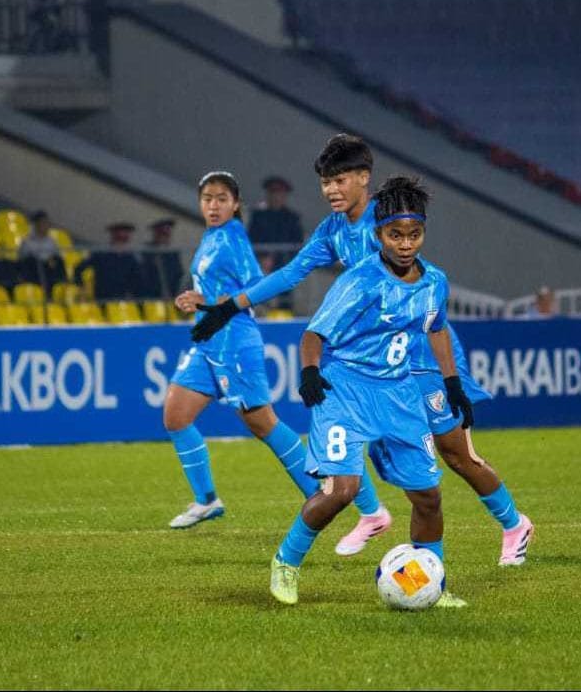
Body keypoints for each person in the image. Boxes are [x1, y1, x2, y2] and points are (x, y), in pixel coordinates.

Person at [193, 134, 534, 566]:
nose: (331, 190)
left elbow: (424, 296)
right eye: (324, 182)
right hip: (379, 366)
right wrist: (230, 307)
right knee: (372, 450)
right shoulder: (333, 230)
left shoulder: (388, 219)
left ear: (363, 179)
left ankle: (513, 524)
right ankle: (376, 517)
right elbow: (292, 273)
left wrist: (451, 378)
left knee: (456, 455)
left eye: (339, 180)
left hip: (422, 358)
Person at [270, 176, 467, 607]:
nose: (405, 243)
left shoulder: (435, 281)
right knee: (342, 490)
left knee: (428, 497)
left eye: (413, 234)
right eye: (395, 234)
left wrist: (452, 382)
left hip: (399, 395)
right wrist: (309, 372)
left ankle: (433, 584)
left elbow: (435, 330)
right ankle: (286, 562)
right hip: (346, 392)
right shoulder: (360, 280)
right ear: (379, 234)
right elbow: (313, 335)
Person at [163, 171, 318, 528]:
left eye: (221, 199)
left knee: (261, 422)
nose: (213, 205)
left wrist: (204, 301)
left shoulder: (233, 239)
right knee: (175, 415)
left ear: (236, 204)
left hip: (234, 338)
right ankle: (206, 500)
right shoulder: (212, 236)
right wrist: (200, 302)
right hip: (209, 340)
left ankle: (321, 492)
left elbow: (256, 291)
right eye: (207, 199)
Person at [248, 176, 305, 309]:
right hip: (260, 264)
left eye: (279, 193)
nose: (276, 197)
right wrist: (262, 257)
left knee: (285, 298)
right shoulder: (258, 216)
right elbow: (251, 239)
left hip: (284, 264)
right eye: (272, 193)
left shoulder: (292, 218)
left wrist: (282, 259)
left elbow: (297, 243)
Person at [73, 222, 144, 301]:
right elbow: (79, 268)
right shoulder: (100, 254)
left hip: (123, 298)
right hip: (102, 297)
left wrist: (132, 293)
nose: (123, 236)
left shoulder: (132, 258)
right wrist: (81, 287)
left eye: (126, 233)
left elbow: (137, 279)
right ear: (113, 234)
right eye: (119, 233)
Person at [16, 210, 66, 291]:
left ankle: (62, 287)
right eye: (43, 223)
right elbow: (22, 259)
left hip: (49, 267)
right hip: (35, 270)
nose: (46, 226)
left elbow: (57, 255)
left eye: (47, 223)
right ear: (36, 224)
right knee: (32, 262)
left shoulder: (51, 241)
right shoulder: (27, 242)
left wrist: (52, 259)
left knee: (58, 261)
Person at [140, 218, 185, 299]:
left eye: (167, 233)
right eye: (162, 233)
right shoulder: (147, 251)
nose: (164, 237)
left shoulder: (172, 253)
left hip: (170, 296)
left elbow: (178, 273)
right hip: (151, 297)